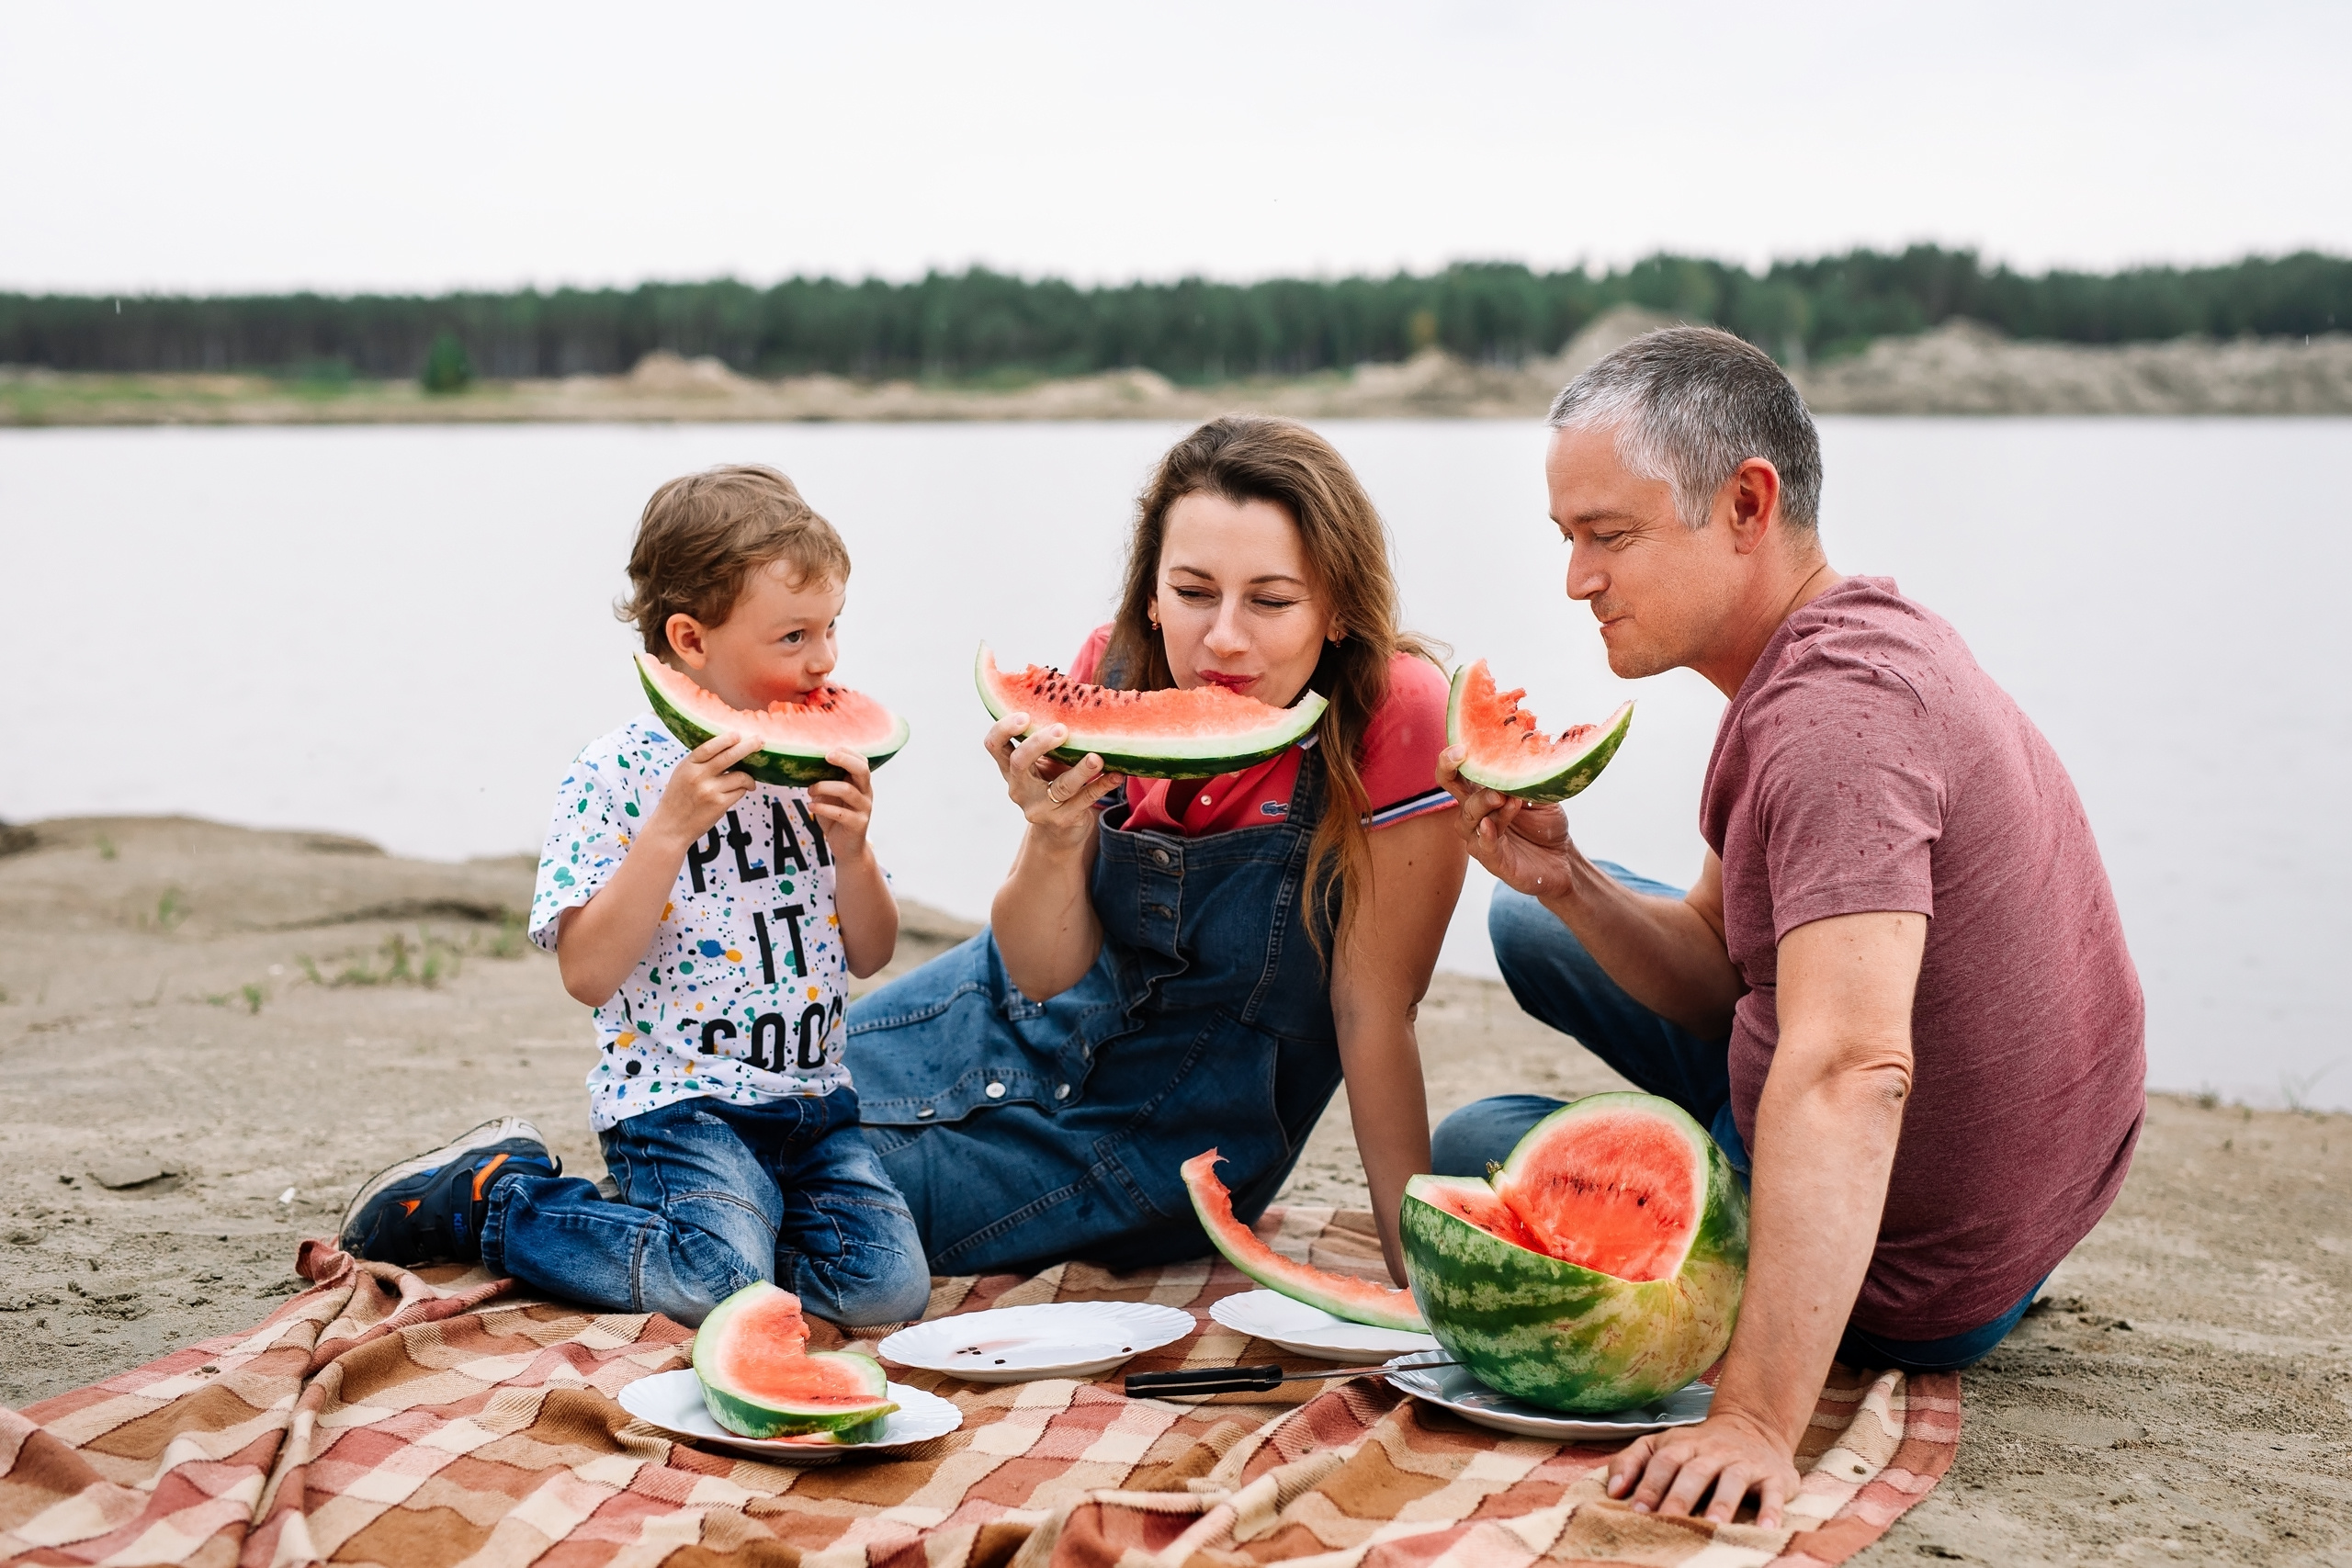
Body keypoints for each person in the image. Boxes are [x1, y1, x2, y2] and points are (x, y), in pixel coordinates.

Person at [1433, 329, 2144, 1527]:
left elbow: (1853, 1069)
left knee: (1473, 1150)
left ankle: (1791, 1273)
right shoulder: (1834, 644)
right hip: (2007, 1201)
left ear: (1746, 502)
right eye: (1568, 539)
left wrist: (1757, 1418)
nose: (1577, 580)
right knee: (1532, 922)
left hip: (1924, 1271)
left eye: (1609, 535)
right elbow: (1721, 968)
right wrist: (1570, 882)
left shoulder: (1834, 730)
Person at [845, 416, 1468, 1282]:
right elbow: (1039, 970)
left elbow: (1375, 1014)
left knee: (814, 1204)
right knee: (730, 1100)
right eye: (1193, 591)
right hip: (993, 1013)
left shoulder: (1394, 711)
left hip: (1149, 1133)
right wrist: (1053, 829)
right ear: (1149, 594)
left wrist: (1424, 1289)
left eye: (1273, 599)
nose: (1223, 639)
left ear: (1337, 613)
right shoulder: (1111, 667)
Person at [338, 465, 931, 1327]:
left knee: (887, 1291)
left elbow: (870, 952)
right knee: (716, 1287)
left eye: (833, 628)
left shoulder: (813, 766)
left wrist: (852, 848)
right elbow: (586, 970)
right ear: (691, 639)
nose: (827, 660)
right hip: (679, 1108)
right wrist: (668, 832)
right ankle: (493, 1197)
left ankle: (710, 1242)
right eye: (794, 636)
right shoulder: (611, 775)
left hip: (812, 1111)